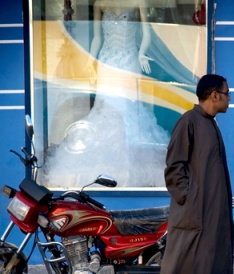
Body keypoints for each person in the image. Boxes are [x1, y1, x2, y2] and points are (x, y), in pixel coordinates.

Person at [42, 0, 169, 188]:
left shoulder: (137, 2)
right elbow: (97, 38)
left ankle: (130, 163)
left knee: (128, 108)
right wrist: (90, 61)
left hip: (129, 60)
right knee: (105, 108)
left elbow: (147, 33)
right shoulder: (100, 3)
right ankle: (103, 161)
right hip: (106, 60)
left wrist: (142, 53)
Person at [150, 74, 234, 274]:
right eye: (226, 92)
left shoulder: (210, 124)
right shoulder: (188, 122)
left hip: (213, 216)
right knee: (185, 272)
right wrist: (189, 200)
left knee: (214, 270)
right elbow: (174, 168)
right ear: (214, 95)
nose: (229, 97)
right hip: (193, 215)